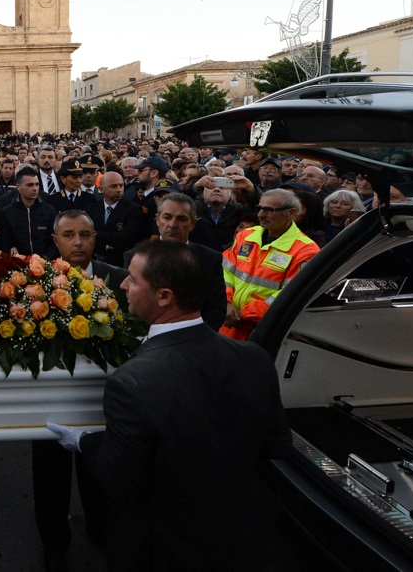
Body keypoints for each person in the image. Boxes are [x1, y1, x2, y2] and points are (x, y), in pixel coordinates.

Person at [49, 240, 291, 572]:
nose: (123, 285)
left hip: (161, 547)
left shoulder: (132, 382)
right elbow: (277, 445)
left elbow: (117, 478)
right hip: (240, 538)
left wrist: (84, 441)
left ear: (164, 297)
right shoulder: (254, 358)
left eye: (133, 280)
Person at [34, 211, 120, 571]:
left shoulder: (119, 279)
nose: (79, 242)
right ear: (56, 242)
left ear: (95, 238)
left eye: (85, 234)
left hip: (101, 401)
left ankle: (101, 530)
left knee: (98, 471)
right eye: (69, 235)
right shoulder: (33, 284)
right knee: (50, 480)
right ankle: (54, 545)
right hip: (48, 399)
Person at [221, 188, 320, 341]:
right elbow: (225, 270)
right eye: (259, 208)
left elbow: (291, 294)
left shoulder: (306, 250)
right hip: (228, 321)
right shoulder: (246, 235)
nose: (260, 215)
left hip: (263, 330)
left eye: (269, 210)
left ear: (291, 213)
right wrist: (226, 303)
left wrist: (244, 313)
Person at [123, 193, 228, 331]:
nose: (173, 225)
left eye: (181, 219)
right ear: (157, 219)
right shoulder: (135, 256)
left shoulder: (210, 259)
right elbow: (130, 303)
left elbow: (216, 309)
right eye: (167, 217)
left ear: (192, 223)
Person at [86, 170, 145, 267]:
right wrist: (106, 246)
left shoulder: (133, 209)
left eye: (121, 186)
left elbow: (128, 238)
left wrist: (97, 234)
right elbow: (87, 235)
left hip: (119, 263)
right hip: (94, 261)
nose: (118, 189)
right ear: (101, 189)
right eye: (113, 186)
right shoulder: (92, 209)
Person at [0, 167, 57, 258]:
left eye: (37, 184)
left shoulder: (49, 210)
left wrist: (45, 259)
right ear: (18, 187)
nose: (35, 188)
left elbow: (54, 240)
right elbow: (4, 241)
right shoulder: (7, 212)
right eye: (30, 185)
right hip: (18, 265)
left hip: (46, 264)